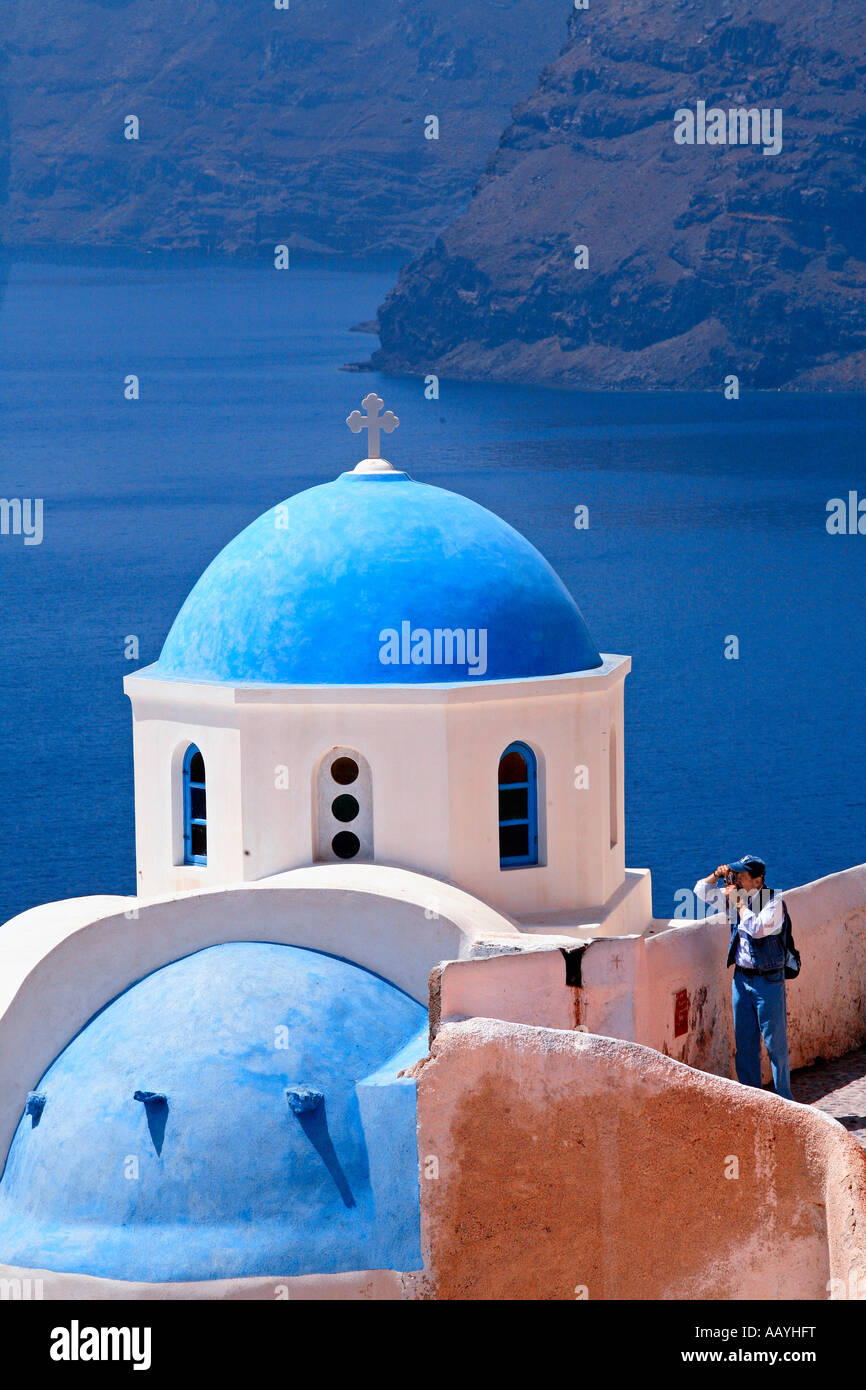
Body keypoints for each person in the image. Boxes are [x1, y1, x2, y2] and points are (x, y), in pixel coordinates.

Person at [693, 854, 793, 1101]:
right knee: (745, 1044)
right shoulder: (736, 898)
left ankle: (786, 1098)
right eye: (734, 874)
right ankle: (753, 1100)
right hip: (741, 979)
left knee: (774, 1044)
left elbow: (758, 929)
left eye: (741, 876)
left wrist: (738, 903)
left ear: (758, 881)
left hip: (768, 981)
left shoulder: (773, 903)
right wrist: (716, 875)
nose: (735, 879)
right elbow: (701, 892)